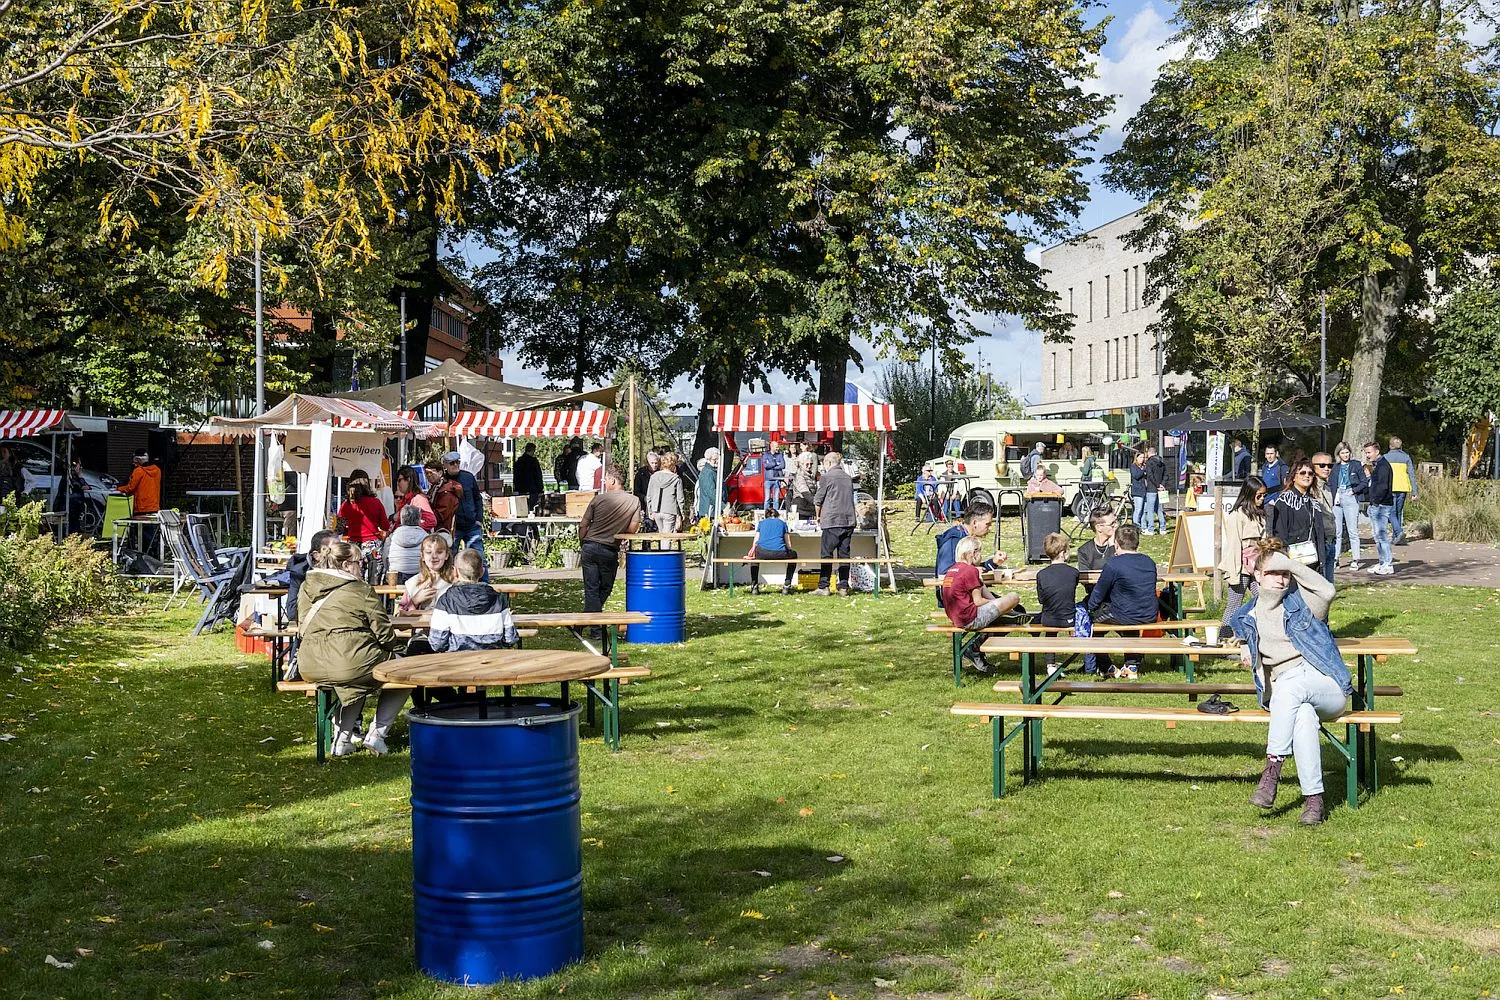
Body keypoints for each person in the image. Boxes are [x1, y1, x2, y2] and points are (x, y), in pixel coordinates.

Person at [1231, 537, 1352, 825]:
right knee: (1303, 716)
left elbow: (1328, 589)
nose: (1281, 579)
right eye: (1274, 573)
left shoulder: (1302, 603)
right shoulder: (1244, 616)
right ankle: (1314, 801)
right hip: (1291, 696)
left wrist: (1289, 563)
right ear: (1257, 575)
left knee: (1292, 685)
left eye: (1284, 573)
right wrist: (1244, 645)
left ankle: (1271, 771)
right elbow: (1243, 636)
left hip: (1326, 687)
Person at [297, 541, 410, 756]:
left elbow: (303, 623)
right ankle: (377, 735)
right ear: (347, 565)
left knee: (356, 672)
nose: (363, 568)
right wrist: (388, 646)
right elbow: (385, 634)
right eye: (361, 563)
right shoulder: (361, 589)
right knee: (404, 672)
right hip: (349, 663)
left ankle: (342, 740)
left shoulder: (306, 586)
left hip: (311, 663)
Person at [1087, 523, 1157, 679]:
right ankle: (1132, 665)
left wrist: (1089, 608)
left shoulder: (1113, 564)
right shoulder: (1149, 562)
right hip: (1149, 613)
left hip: (1125, 613)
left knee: (1089, 625)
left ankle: (1107, 666)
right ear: (1137, 543)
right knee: (1129, 618)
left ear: (1116, 544)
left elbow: (1099, 591)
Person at [943, 536, 1022, 674]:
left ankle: (1008, 614)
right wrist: (1001, 604)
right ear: (973, 553)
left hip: (957, 618)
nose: (981, 556)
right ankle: (974, 648)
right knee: (1013, 597)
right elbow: (978, 601)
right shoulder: (970, 571)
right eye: (980, 552)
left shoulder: (952, 570)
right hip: (972, 619)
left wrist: (999, 605)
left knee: (1004, 607)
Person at [428, 548, 521, 651]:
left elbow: (437, 643)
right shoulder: (498, 599)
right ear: (482, 572)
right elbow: (510, 638)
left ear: (455, 572)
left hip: (457, 661)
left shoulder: (446, 601)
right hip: (492, 660)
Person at [579, 470, 641, 617]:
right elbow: (632, 529)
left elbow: (583, 525)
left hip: (590, 546)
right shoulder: (634, 501)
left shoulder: (598, 499)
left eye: (605, 479)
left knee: (591, 588)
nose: (604, 483)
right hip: (609, 549)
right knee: (605, 587)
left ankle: (585, 622)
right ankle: (592, 626)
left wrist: (583, 542)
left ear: (613, 480)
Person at [1218, 476, 1266, 626]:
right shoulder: (1237, 515)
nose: (1262, 499)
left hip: (1257, 566)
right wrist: (1233, 573)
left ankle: (1255, 633)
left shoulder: (1260, 514)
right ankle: (1225, 637)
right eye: (1259, 496)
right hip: (1241, 568)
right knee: (1233, 605)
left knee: (1264, 600)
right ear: (1249, 494)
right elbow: (1233, 546)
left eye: (1264, 495)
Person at [935, 505, 1004, 606]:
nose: (989, 528)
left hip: (970, 593)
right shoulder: (952, 541)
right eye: (987, 524)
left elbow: (971, 569)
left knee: (1013, 607)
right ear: (975, 523)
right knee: (1011, 607)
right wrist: (975, 571)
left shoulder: (966, 539)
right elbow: (945, 575)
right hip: (958, 600)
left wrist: (993, 562)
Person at [1265, 459, 1324, 575]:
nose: (1307, 476)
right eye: (1302, 473)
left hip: (1312, 560)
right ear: (1293, 477)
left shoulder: (1314, 503)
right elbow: (1280, 532)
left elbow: (1319, 534)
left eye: (1310, 473)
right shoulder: (1284, 500)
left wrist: (1322, 560)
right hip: (1293, 559)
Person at [813, 451, 857, 596]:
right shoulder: (847, 477)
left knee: (826, 554)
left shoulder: (826, 477)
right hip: (848, 520)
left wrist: (818, 516)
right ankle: (843, 586)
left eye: (824, 463)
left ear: (829, 463)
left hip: (832, 520)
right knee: (844, 555)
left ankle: (824, 586)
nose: (823, 466)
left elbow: (818, 499)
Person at [443, 450, 487, 580]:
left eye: (457, 462)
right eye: (452, 463)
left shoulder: (468, 477)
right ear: (445, 465)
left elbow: (477, 499)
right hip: (454, 527)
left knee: (479, 558)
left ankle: (485, 585)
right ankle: (450, 586)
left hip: (472, 525)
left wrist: (479, 518)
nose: (455, 465)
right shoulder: (443, 481)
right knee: (450, 559)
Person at [337, 477, 389, 579]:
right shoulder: (375, 502)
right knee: (374, 580)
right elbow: (385, 526)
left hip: (353, 546)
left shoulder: (346, 505)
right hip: (373, 546)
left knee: (354, 579)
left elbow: (340, 528)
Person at [285, 530, 338, 628]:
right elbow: (292, 612)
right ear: (316, 555)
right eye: (333, 550)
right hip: (313, 631)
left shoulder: (346, 569)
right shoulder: (300, 573)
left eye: (340, 548)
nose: (339, 553)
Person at [1331, 442, 1367, 571]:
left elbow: (1364, 482)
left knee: (1352, 531)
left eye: (1347, 452)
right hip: (1337, 499)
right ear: (1338, 454)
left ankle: (1355, 559)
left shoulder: (1356, 465)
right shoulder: (1335, 468)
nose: (1345, 455)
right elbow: (1331, 484)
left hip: (1350, 497)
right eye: (1342, 453)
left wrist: (1353, 491)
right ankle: (1336, 558)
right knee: (1337, 531)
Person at [397, 534, 455, 614]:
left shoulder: (455, 579)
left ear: (446, 555)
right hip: (419, 625)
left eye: (439, 552)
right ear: (423, 556)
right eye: (428, 552)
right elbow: (399, 614)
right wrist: (415, 600)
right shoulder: (414, 582)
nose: (434, 556)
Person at [1363, 441, 1396, 576]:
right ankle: (1382, 562)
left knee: (1381, 535)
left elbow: (1383, 487)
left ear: (1377, 451)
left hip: (1381, 505)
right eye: (1366, 453)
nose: (1367, 455)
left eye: (1369, 452)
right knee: (1377, 536)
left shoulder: (1383, 466)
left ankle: (1387, 563)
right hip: (1377, 504)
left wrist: (1375, 501)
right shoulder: (1378, 466)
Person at [748, 506, 798, 595]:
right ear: (778, 515)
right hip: (780, 553)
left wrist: (752, 551)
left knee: (755, 557)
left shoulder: (761, 523)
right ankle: (787, 585)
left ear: (766, 516)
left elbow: (755, 542)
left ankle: (754, 586)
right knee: (794, 555)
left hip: (763, 552)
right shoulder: (783, 523)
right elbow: (789, 545)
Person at [1036, 533, 1080, 629]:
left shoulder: (1041, 574)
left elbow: (1041, 600)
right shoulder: (1074, 572)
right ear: (1062, 553)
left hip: (1048, 620)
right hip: (1069, 619)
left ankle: (1047, 641)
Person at [1310, 452, 1339, 584]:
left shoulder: (1327, 487)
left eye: (1330, 465)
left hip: (1330, 539)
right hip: (1318, 542)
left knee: (1329, 585)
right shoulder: (1311, 488)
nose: (1326, 468)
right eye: (1322, 465)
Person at [385, 505, 428, 584]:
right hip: (419, 575)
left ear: (401, 519)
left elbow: (385, 557)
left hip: (396, 576)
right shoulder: (426, 537)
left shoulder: (393, 537)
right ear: (419, 519)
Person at [646, 452, 686, 534]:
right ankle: (666, 547)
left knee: (661, 534)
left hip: (656, 510)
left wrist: (650, 510)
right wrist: (682, 513)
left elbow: (649, 495)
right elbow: (680, 498)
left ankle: (662, 547)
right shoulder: (676, 479)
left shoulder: (654, 477)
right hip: (670, 510)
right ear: (673, 464)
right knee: (667, 536)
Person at [1386, 436, 1416, 544]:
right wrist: (1414, 491)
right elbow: (1412, 475)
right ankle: (1397, 537)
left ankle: (1398, 533)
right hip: (1403, 487)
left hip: (1390, 487)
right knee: (1398, 512)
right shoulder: (1406, 457)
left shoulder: (1385, 458)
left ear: (1390, 446)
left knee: (1391, 511)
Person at [393, 466, 436, 532]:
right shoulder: (409, 498)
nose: (398, 483)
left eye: (399, 480)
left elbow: (431, 521)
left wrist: (412, 528)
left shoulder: (418, 498)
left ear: (408, 479)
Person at [1077, 508, 1116, 574]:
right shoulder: (1084, 550)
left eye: (1116, 522)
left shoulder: (1121, 545)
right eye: (1112, 524)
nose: (1116, 526)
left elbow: (1119, 569)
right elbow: (1085, 577)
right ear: (1099, 527)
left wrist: (1112, 546)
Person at [1142, 444, 1167, 535]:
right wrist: (1162, 485)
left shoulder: (1149, 462)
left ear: (1149, 453)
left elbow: (1150, 475)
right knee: (1159, 509)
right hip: (1161, 489)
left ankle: (1151, 529)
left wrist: (1156, 485)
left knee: (1150, 510)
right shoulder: (1162, 462)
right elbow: (1166, 475)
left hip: (1151, 489)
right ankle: (1163, 528)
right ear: (1156, 453)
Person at [514, 442, 545, 510]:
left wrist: (516, 488)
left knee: (522, 509)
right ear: (533, 450)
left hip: (521, 489)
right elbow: (538, 476)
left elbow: (515, 477)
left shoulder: (519, 461)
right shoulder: (533, 461)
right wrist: (540, 489)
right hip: (532, 490)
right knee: (532, 509)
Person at [696, 448, 725, 520]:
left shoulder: (713, 471)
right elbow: (711, 493)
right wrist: (724, 507)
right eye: (715, 459)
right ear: (708, 459)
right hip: (709, 511)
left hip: (714, 509)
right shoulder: (707, 473)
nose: (717, 461)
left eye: (718, 459)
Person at [789, 451, 818, 520]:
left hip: (809, 506)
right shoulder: (799, 476)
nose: (809, 466)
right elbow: (805, 492)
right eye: (807, 464)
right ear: (801, 464)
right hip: (801, 507)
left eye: (811, 464)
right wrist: (816, 502)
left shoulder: (811, 475)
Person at [762, 439, 786, 510]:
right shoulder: (766, 455)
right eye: (776, 447)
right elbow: (766, 466)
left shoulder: (780, 455)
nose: (777, 448)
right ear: (771, 446)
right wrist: (775, 463)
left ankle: (776, 513)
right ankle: (766, 513)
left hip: (777, 479)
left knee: (776, 498)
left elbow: (783, 465)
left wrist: (771, 464)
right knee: (767, 498)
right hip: (768, 479)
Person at [1129, 451, 1149, 530]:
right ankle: (1135, 525)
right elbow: (1136, 476)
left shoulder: (1143, 466)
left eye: (1143, 457)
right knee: (1138, 508)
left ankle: (1143, 526)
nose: (1142, 459)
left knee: (1144, 509)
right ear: (1136, 458)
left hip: (1144, 490)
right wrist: (1143, 471)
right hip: (1137, 491)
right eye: (1140, 457)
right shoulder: (1133, 466)